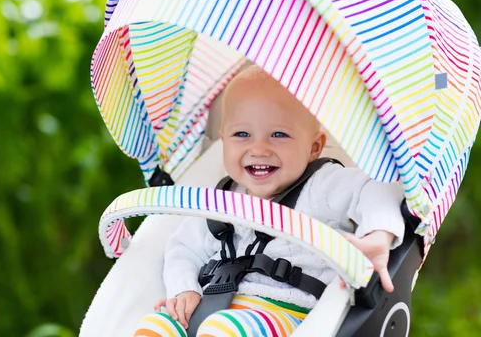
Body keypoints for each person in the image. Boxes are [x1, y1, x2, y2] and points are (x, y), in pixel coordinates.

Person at [133, 66, 405, 337]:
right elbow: (183, 250)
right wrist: (184, 290)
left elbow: (378, 188)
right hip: (210, 307)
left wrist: (379, 235)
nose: (259, 149)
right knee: (156, 325)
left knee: (223, 328)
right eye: (242, 135)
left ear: (314, 147)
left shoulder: (322, 185)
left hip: (281, 313)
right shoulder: (221, 201)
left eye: (279, 135)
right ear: (224, 139)